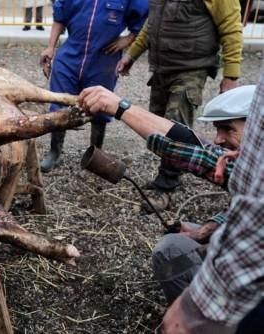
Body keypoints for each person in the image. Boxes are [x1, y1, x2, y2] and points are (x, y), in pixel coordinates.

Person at [78, 81, 264, 333]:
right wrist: (121, 108)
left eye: (227, 129)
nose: (218, 139)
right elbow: (195, 149)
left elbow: (255, 237)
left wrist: (198, 307)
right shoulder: (248, 163)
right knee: (174, 247)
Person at [115, 0, 243, 212]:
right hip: (162, 69)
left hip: (191, 69)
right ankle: (167, 175)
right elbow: (152, 24)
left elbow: (231, 27)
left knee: (175, 126)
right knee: (157, 123)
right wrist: (132, 54)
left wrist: (231, 75)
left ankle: (167, 187)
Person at [39, 0, 148, 173]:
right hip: (70, 55)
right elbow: (60, 17)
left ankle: (95, 154)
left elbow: (144, 19)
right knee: (58, 102)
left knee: (101, 105)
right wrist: (50, 47)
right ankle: (55, 152)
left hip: (103, 59)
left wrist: (128, 39)